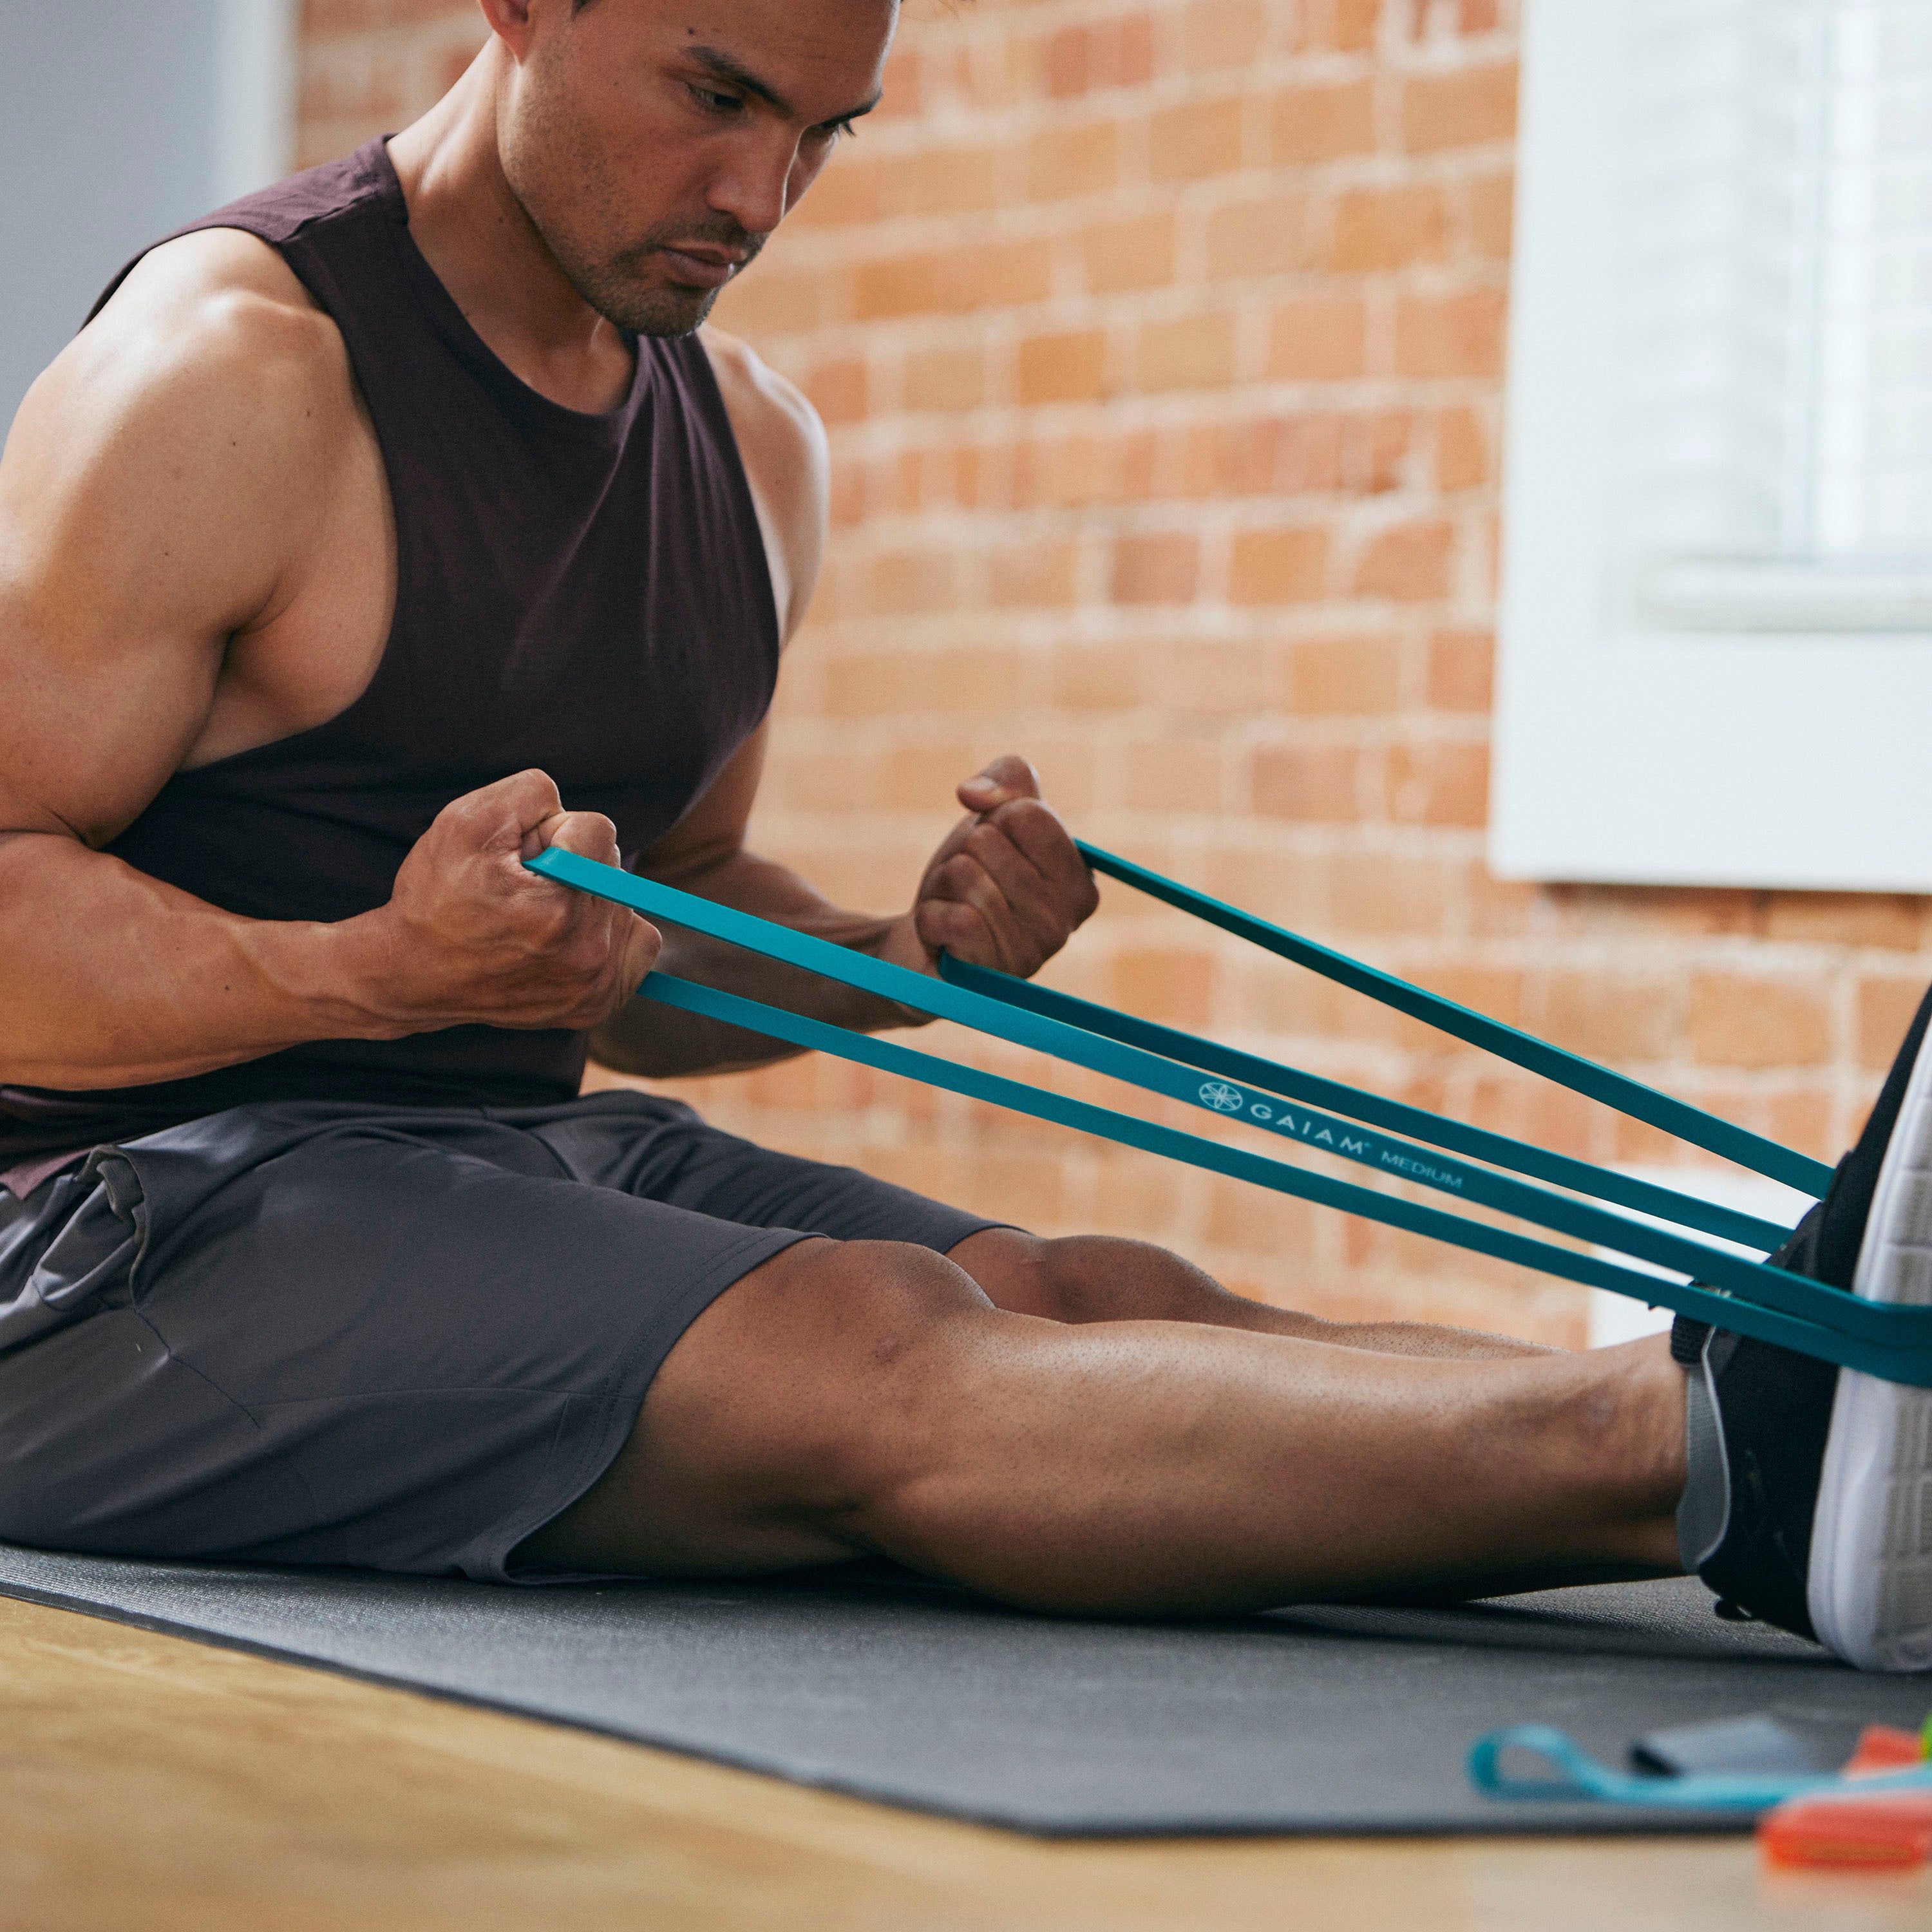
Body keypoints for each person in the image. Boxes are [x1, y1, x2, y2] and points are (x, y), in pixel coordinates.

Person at [0, 0, 1925, 1672]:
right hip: (86, 1242)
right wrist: (375, 971)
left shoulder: (750, 445)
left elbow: (656, 944)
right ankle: (1719, 1457)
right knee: (867, 1340)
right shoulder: (234, 374)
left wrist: (904, 958)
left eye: (822, 132)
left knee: (1091, 1297)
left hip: (477, 1157)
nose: (759, 198)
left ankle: (1787, 1395)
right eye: (716, 94)